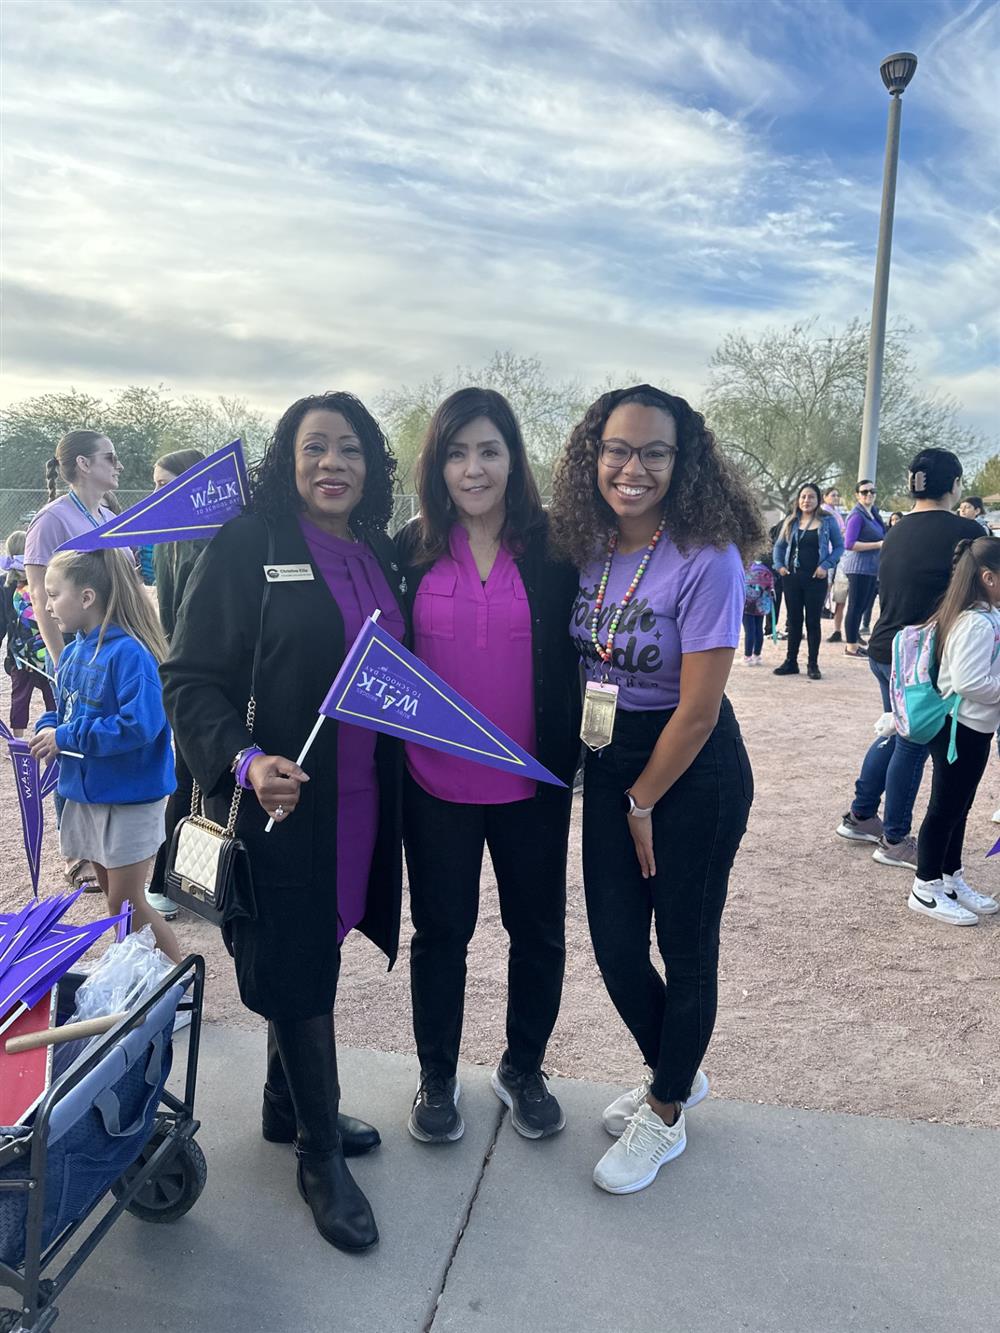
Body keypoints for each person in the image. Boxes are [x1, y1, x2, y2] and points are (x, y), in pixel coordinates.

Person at [161, 391, 408, 1254]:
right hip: (280, 802)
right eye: (313, 448)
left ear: (371, 464)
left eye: (348, 448)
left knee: (318, 944)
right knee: (298, 959)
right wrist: (244, 759)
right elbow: (189, 678)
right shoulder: (249, 544)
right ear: (287, 459)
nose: (331, 463)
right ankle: (319, 1155)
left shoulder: (377, 550)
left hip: (363, 798)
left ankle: (283, 1102)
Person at [549, 384, 760, 1195]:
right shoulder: (591, 543)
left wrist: (643, 802)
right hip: (611, 757)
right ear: (593, 455)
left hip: (691, 767)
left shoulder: (707, 558)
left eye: (654, 452)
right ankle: (679, 1065)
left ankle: (667, 1107)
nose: (632, 467)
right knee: (611, 941)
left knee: (686, 941)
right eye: (617, 448)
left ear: (684, 460)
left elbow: (701, 710)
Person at [396, 388, 580, 1145]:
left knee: (537, 930)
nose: (473, 469)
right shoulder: (406, 549)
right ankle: (436, 1075)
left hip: (530, 784)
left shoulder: (555, 550)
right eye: (457, 452)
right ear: (437, 464)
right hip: (431, 781)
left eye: (489, 451)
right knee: (442, 932)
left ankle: (522, 1065)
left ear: (513, 459)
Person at [28, 549, 182, 963]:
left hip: (130, 799)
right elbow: (65, 711)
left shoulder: (130, 654)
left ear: (87, 597)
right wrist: (48, 727)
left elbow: (140, 725)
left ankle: (182, 981)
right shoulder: (74, 653)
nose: (43, 605)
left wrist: (67, 735)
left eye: (53, 594)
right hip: (87, 796)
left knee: (126, 905)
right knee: (117, 907)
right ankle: (134, 977)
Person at [836, 449, 984, 869]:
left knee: (895, 729)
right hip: (921, 654)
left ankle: (862, 814)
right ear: (955, 484)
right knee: (912, 741)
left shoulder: (895, 528)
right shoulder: (966, 530)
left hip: (886, 646)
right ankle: (895, 838)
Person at [24, 430, 121, 890]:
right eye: (110, 458)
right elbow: (41, 593)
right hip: (77, 650)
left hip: (115, 645)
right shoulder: (53, 519)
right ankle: (78, 851)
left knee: (105, 736)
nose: (118, 466)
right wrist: (62, 659)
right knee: (72, 742)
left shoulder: (107, 513)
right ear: (83, 464)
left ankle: (107, 844)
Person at [908, 537, 1000, 925]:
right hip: (958, 729)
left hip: (973, 727)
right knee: (945, 809)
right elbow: (967, 681)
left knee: (959, 807)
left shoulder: (980, 615)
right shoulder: (976, 622)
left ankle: (949, 876)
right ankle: (925, 886)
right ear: (988, 577)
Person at [144, 447, 207, 922]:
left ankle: (195, 881)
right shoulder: (175, 540)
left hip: (196, 674)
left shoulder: (202, 539)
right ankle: (165, 881)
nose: (159, 496)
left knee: (198, 780)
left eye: (168, 486)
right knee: (187, 780)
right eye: (156, 486)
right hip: (191, 675)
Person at [772, 484, 844, 680]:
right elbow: (779, 547)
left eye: (811, 497)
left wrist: (826, 565)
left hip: (816, 579)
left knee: (813, 622)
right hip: (792, 578)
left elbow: (839, 547)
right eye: (803, 497)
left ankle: (813, 664)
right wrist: (779, 566)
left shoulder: (827, 521)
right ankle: (791, 662)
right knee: (794, 621)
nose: (806, 501)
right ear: (798, 500)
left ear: (818, 500)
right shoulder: (791, 521)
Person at [2, 531, 56, 736]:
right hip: (45, 652)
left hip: (21, 655)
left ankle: (18, 740)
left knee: (20, 696)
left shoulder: (7, 587)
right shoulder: (44, 583)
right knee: (51, 694)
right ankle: (56, 731)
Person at [841, 481, 885, 657]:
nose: (869, 494)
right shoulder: (857, 516)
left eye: (872, 491)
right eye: (864, 491)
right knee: (855, 606)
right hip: (858, 567)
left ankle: (855, 639)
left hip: (871, 568)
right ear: (857, 495)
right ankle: (851, 646)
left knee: (862, 605)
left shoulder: (873, 514)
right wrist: (878, 544)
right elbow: (849, 543)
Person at [821, 487, 847, 636]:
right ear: (825, 497)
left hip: (836, 552)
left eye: (837, 495)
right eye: (833, 495)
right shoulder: (825, 512)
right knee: (827, 582)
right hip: (829, 553)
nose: (835, 498)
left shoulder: (835, 512)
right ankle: (822, 605)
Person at [742, 557, 774, 665]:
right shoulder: (766, 567)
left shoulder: (747, 566)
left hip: (748, 604)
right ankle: (757, 655)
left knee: (749, 631)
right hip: (761, 604)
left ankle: (747, 657)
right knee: (758, 629)